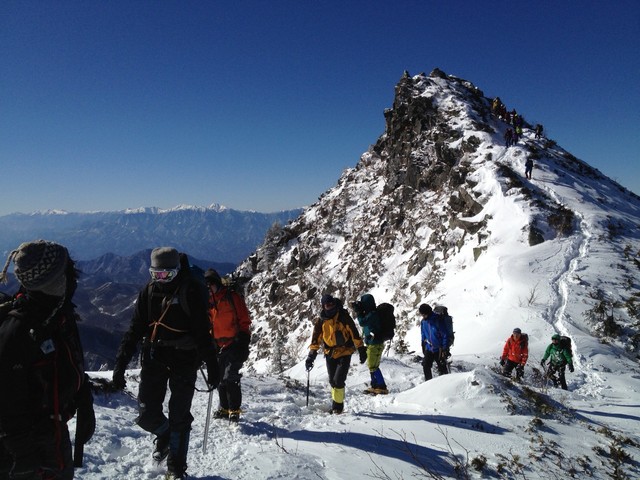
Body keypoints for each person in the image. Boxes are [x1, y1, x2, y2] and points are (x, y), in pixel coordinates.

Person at [112, 247, 217, 480]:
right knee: (146, 413)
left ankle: (176, 469)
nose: (160, 280)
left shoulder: (190, 291)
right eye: (156, 275)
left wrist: (212, 364)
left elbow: (202, 332)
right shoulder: (148, 293)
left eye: (166, 275)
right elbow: (134, 330)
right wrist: (121, 363)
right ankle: (167, 435)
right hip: (154, 357)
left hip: (185, 359)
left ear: (177, 272)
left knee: (179, 415)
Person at [0, 240, 95, 480]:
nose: (73, 277)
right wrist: (22, 455)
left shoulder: (58, 314)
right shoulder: (17, 332)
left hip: (52, 435)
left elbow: (72, 360)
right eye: (67, 272)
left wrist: (84, 400)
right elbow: (5, 401)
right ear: (54, 282)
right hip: (22, 449)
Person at [305, 294, 367, 414]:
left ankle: (338, 408)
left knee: (338, 381)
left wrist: (361, 349)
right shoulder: (321, 321)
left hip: (345, 352)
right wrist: (311, 356)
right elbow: (316, 340)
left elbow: (354, 333)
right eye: (327, 305)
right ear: (323, 307)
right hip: (330, 353)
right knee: (332, 381)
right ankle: (335, 404)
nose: (330, 307)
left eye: (332, 304)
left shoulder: (343, 317)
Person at [204, 269, 251, 423]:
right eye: (206, 285)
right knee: (219, 379)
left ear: (216, 283)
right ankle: (224, 408)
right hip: (218, 345)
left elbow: (244, 319)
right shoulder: (209, 302)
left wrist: (243, 339)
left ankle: (234, 410)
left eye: (210, 284)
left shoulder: (232, 297)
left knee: (230, 377)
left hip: (234, 343)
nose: (208, 287)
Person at [353, 293, 388, 394]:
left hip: (375, 343)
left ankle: (381, 386)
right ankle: (375, 385)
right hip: (371, 342)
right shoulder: (370, 313)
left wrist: (359, 312)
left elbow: (362, 322)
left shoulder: (372, 314)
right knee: (371, 365)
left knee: (373, 366)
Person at [419, 304, 449, 381]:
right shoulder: (423, 322)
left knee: (442, 368)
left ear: (428, 313)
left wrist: (445, 348)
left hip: (439, 349)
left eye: (424, 314)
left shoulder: (437, 320)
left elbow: (445, 335)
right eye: (421, 314)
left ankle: (446, 384)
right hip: (429, 348)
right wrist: (423, 343)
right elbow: (423, 333)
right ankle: (428, 383)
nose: (422, 316)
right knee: (426, 365)